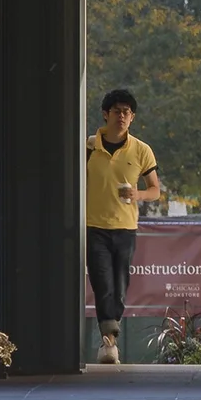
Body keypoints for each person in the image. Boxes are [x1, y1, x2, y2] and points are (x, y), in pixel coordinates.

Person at [84, 86, 162, 365]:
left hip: (126, 228)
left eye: (127, 112)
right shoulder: (89, 147)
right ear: (105, 114)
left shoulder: (141, 150)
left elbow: (155, 190)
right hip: (93, 226)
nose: (122, 116)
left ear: (133, 118)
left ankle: (110, 333)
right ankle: (109, 340)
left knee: (119, 286)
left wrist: (137, 195)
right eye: (117, 111)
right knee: (102, 282)